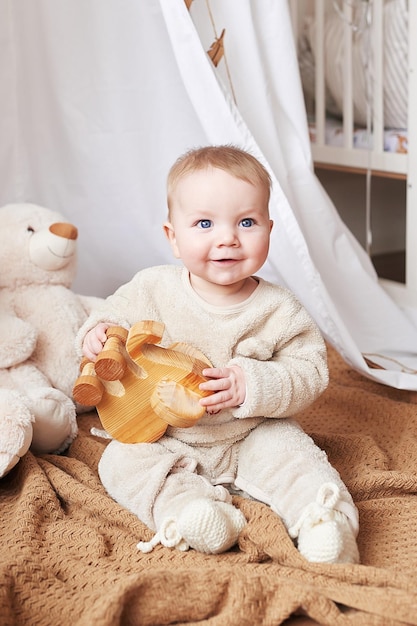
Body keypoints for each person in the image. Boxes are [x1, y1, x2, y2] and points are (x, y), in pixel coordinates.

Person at [76, 145, 359, 563]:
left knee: (295, 456)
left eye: (246, 222)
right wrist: (95, 333)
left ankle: (324, 520)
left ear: (268, 228)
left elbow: (311, 371)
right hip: (167, 438)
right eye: (205, 223)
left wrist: (252, 385)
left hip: (250, 433)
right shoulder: (153, 288)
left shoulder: (279, 310)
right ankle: (194, 512)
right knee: (120, 461)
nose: (227, 237)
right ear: (173, 237)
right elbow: (110, 315)